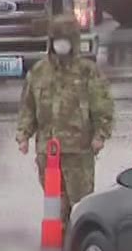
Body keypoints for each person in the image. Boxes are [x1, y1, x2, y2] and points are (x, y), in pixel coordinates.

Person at [16, 16, 114, 233]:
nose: (61, 44)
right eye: (56, 39)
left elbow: (102, 105)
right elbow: (28, 106)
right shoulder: (39, 72)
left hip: (78, 150)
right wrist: (23, 134)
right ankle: (54, 244)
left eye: (65, 39)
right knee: (54, 203)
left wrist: (100, 134)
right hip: (48, 152)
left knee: (80, 203)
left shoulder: (87, 71)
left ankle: (79, 244)